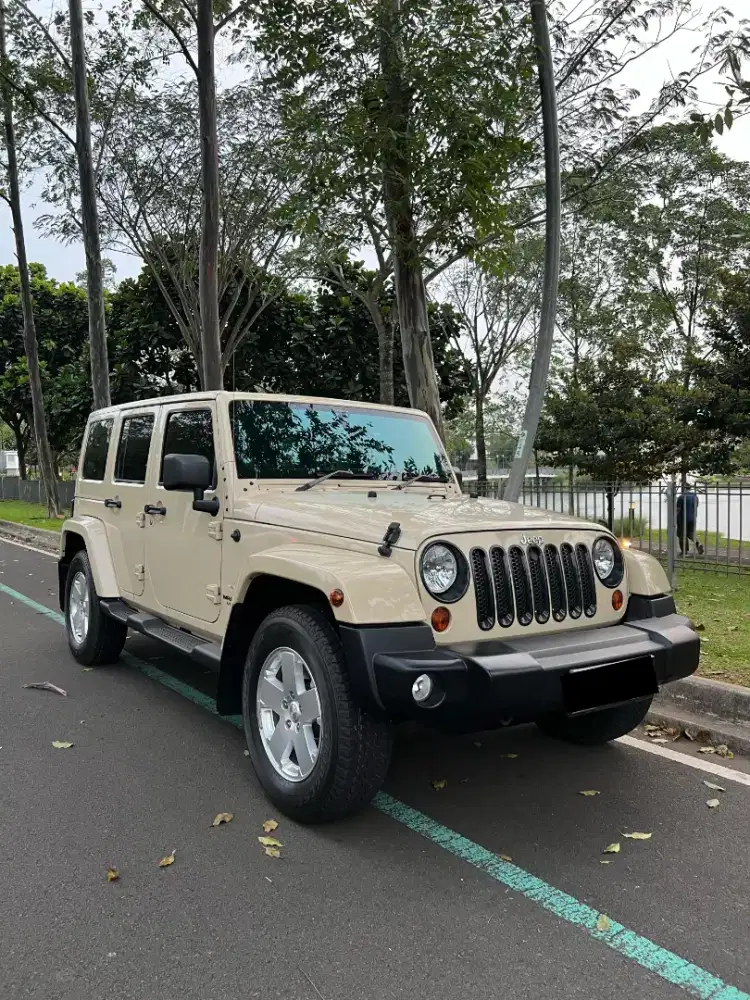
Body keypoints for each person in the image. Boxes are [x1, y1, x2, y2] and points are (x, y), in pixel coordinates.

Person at [676, 488, 704, 556]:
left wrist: (674, 518)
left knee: (682, 535)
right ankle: (698, 543)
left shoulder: (681, 497)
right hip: (692, 518)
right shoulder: (695, 497)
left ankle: (684, 551)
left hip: (682, 519)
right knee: (691, 533)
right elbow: (696, 506)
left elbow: (678, 509)